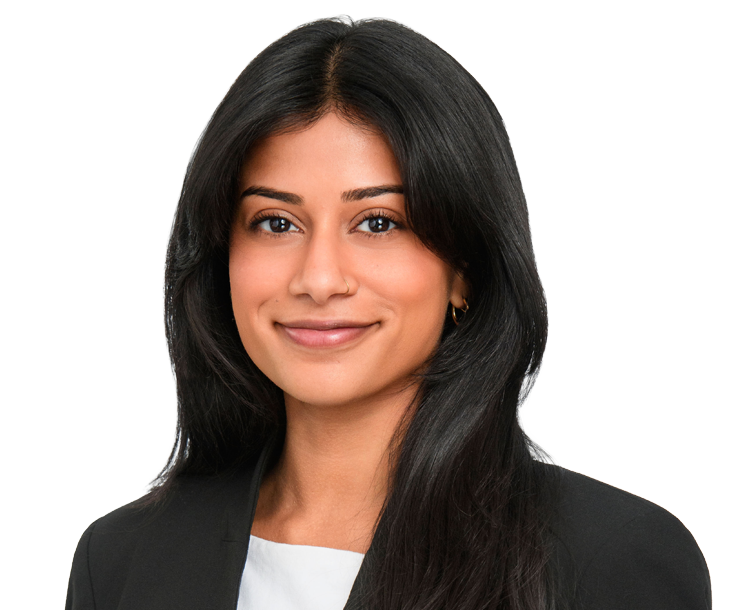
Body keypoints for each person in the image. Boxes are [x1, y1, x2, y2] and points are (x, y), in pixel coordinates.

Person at [66, 16, 711, 610]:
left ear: (465, 268)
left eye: (378, 222)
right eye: (275, 222)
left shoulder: (608, 562)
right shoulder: (120, 561)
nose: (320, 279)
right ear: (221, 256)